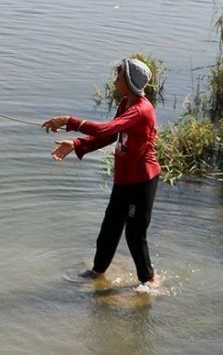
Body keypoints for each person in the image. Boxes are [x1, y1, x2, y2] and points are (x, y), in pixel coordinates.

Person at [41, 58, 161, 288]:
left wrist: (69, 120)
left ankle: (150, 282)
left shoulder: (141, 110)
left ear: (128, 81)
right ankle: (98, 273)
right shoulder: (125, 103)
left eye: (118, 77)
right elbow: (108, 136)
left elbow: (105, 128)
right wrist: (76, 144)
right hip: (124, 180)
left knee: (135, 236)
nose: (115, 82)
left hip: (142, 181)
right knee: (109, 229)